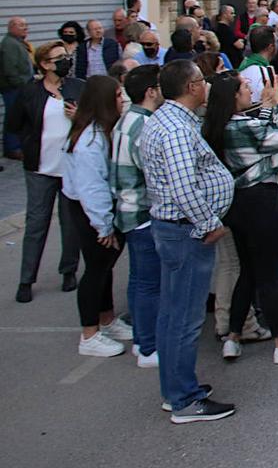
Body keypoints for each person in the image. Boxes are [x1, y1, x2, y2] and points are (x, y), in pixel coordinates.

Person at [139, 60, 236, 423]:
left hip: (174, 228)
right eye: (202, 81)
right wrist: (208, 223)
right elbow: (184, 187)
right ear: (192, 87)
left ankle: (175, 388)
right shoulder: (176, 130)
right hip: (185, 230)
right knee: (184, 318)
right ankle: (183, 398)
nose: (207, 86)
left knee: (172, 314)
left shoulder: (166, 120)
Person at [202, 72, 278, 365]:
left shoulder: (220, 125)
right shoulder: (240, 127)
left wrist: (266, 107)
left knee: (248, 272)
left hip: (237, 204)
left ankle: (233, 337)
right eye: (244, 87)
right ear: (234, 96)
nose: (250, 88)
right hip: (260, 200)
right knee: (267, 276)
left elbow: (259, 129)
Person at [59, 74, 132, 358]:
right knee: (96, 270)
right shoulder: (89, 141)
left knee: (104, 267)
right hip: (89, 211)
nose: (121, 100)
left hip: (94, 208)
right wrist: (103, 226)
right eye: (117, 96)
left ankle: (107, 319)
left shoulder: (100, 130)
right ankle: (89, 334)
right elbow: (93, 188)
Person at [8, 41, 83, 303]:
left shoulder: (77, 87)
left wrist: (78, 118)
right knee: (36, 224)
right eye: (59, 57)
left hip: (70, 168)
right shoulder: (30, 91)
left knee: (70, 223)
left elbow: (93, 120)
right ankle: (26, 279)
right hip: (40, 168)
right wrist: (27, 145)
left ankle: (69, 270)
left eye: (66, 56)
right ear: (45, 64)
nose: (66, 60)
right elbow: (14, 124)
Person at [110, 65, 164, 367]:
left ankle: (142, 336)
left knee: (139, 279)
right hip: (141, 212)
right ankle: (148, 345)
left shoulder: (128, 119)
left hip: (129, 210)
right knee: (149, 283)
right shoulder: (143, 126)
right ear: (150, 91)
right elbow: (152, 172)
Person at [1, 17, 34, 159]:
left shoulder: (18, 43)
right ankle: (12, 148)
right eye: (21, 25)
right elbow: (10, 69)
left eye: (26, 25)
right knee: (13, 117)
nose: (25, 27)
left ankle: (20, 145)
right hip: (14, 88)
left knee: (21, 116)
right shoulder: (9, 44)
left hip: (21, 86)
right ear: (11, 27)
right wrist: (21, 83)